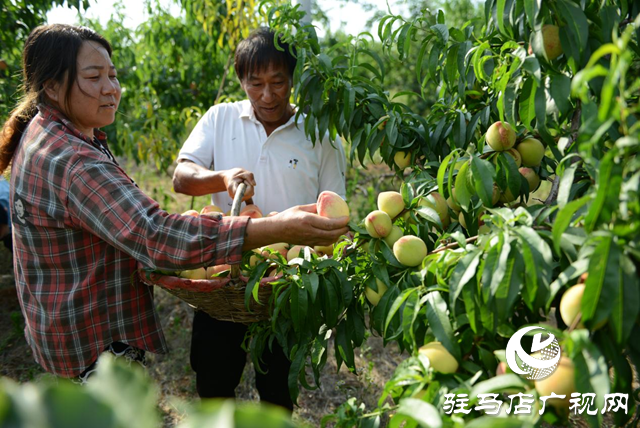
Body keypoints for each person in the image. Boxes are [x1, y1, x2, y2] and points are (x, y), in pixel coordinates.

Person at [0, 24, 349, 384]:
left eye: (113, 75)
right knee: (212, 378)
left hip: (74, 332)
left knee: (277, 384)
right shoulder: (73, 160)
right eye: (94, 77)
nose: (112, 89)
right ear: (52, 86)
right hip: (91, 343)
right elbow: (156, 235)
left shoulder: (55, 135)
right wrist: (277, 227)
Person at [172, 27, 347, 410]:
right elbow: (181, 178)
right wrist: (220, 177)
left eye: (278, 82)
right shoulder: (220, 118)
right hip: (224, 281)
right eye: (255, 84)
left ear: (292, 79)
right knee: (214, 386)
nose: (267, 96)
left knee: (278, 396)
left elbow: (336, 213)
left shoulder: (319, 133)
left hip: (288, 287)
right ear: (241, 81)